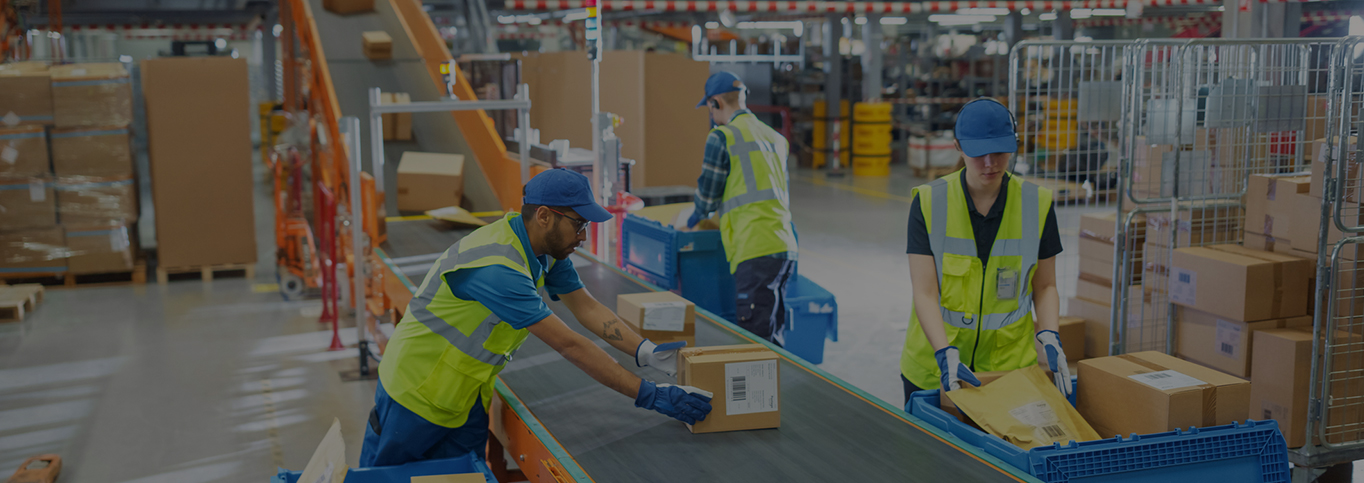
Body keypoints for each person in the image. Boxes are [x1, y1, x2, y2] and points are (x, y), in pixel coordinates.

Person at [361, 168, 713, 467]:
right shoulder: (498, 267)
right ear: (544, 216)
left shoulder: (545, 250)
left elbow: (586, 307)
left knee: (463, 475)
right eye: (578, 224)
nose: (584, 236)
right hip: (415, 396)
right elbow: (569, 345)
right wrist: (648, 394)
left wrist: (646, 351)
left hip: (466, 394)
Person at [900, 98, 1070, 404]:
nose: (990, 163)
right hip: (933, 369)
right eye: (979, 153)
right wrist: (943, 352)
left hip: (1008, 370)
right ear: (958, 147)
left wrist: (1051, 335)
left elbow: (1045, 285)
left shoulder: (1036, 204)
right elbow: (925, 292)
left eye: (1000, 151)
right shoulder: (929, 202)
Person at [688, 71, 799, 345]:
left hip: (754, 247)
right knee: (773, 337)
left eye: (709, 108)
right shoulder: (775, 138)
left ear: (716, 103)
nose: (711, 115)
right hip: (785, 246)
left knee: (755, 343)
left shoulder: (721, 137)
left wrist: (694, 215)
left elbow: (708, 197)